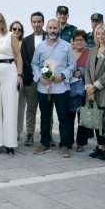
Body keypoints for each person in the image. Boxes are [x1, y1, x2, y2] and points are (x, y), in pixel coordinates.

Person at [32, 20, 76, 157]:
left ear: (59, 29)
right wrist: (40, 77)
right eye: (50, 28)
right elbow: (34, 64)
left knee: (63, 118)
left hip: (61, 88)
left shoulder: (66, 46)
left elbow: (72, 65)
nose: (52, 30)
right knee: (45, 117)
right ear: (47, 29)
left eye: (55, 28)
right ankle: (45, 144)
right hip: (44, 87)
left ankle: (65, 145)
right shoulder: (40, 46)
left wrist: (62, 76)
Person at [0, 12, 23, 154]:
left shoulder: (11, 36)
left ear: (3, 22)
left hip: (9, 70)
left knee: (10, 106)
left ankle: (10, 143)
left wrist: (19, 75)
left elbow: (18, 56)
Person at [85, 23, 105, 160]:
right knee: (97, 119)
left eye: (103, 33)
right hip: (92, 91)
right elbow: (87, 70)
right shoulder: (92, 50)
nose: (100, 36)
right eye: (98, 34)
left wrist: (95, 86)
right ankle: (100, 145)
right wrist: (88, 87)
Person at [18, 12, 44, 146]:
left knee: (47, 109)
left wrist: (44, 74)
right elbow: (24, 60)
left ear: (43, 23)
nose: (36, 24)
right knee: (31, 108)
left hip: (47, 79)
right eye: (34, 22)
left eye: (39, 21)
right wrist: (36, 73)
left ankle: (47, 134)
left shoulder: (49, 37)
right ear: (31, 23)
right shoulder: (26, 40)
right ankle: (29, 134)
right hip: (31, 79)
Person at [70, 30, 91, 152]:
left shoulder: (90, 53)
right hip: (69, 90)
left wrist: (81, 72)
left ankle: (81, 143)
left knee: (82, 118)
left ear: (86, 42)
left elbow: (92, 70)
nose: (79, 42)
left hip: (84, 90)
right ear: (72, 41)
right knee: (69, 117)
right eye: (76, 40)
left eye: (81, 40)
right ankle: (68, 141)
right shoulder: (69, 53)